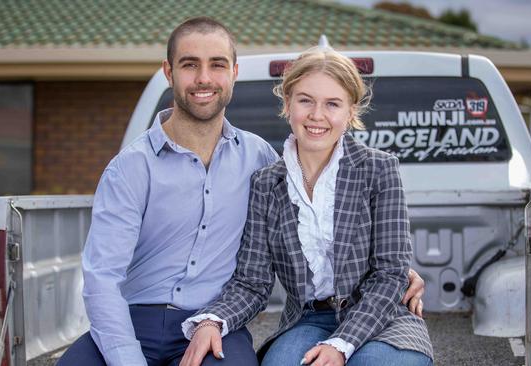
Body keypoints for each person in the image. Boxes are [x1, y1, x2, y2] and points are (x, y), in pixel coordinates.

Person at [58, 17, 426, 366]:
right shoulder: (138, 168)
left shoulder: (262, 160)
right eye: (190, 65)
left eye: (217, 64)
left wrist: (395, 271)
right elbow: (105, 278)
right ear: (169, 72)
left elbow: (376, 259)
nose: (204, 78)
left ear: (234, 72)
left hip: (352, 314)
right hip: (140, 319)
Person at [180, 48, 433, 366]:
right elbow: (253, 281)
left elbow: (389, 273)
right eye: (305, 100)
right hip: (308, 319)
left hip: (382, 316)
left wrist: (342, 345)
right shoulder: (266, 184)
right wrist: (212, 321)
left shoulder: (379, 169)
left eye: (332, 103)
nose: (317, 115)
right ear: (287, 104)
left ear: (350, 110)